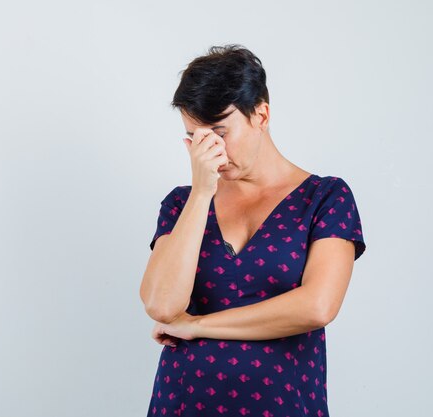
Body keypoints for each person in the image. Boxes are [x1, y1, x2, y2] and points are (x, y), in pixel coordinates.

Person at [140, 44, 366, 417]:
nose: (208, 149)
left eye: (218, 132)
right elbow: (163, 306)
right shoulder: (182, 204)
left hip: (284, 405)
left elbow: (317, 306)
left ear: (260, 114)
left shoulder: (325, 197)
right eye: (194, 136)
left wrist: (197, 326)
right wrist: (202, 192)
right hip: (183, 403)